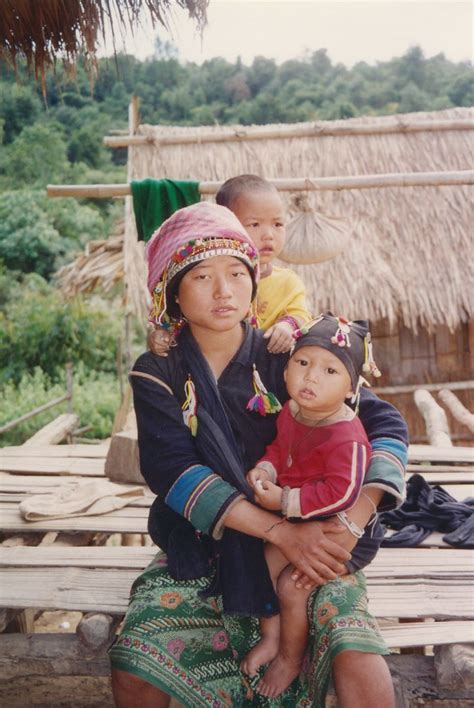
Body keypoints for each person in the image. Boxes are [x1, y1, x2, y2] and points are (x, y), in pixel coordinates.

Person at [109, 201, 407, 708]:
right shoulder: (157, 371)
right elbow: (173, 472)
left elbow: (385, 425)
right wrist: (279, 532)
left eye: (236, 273)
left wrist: (350, 524)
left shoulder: (287, 355)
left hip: (318, 533)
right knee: (137, 659)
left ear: (254, 280)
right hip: (204, 541)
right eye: (202, 276)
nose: (224, 291)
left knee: (355, 651)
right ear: (172, 293)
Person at [241, 314, 381, 698]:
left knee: (290, 586)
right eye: (302, 363)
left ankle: (290, 656)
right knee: (265, 559)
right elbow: (278, 448)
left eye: (330, 370)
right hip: (300, 519)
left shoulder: (346, 437)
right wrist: (266, 467)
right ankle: (271, 635)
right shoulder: (291, 412)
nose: (311, 377)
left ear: (352, 386)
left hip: (340, 531)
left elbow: (342, 492)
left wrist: (285, 499)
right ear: (286, 370)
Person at [149, 174, 311, 357]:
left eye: (278, 224)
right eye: (255, 224)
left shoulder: (288, 282)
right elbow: (174, 319)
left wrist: (287, 325)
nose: (269, 235)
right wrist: (161, 334)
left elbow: (302, 315)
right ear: (224, 225)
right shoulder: (196, 280)